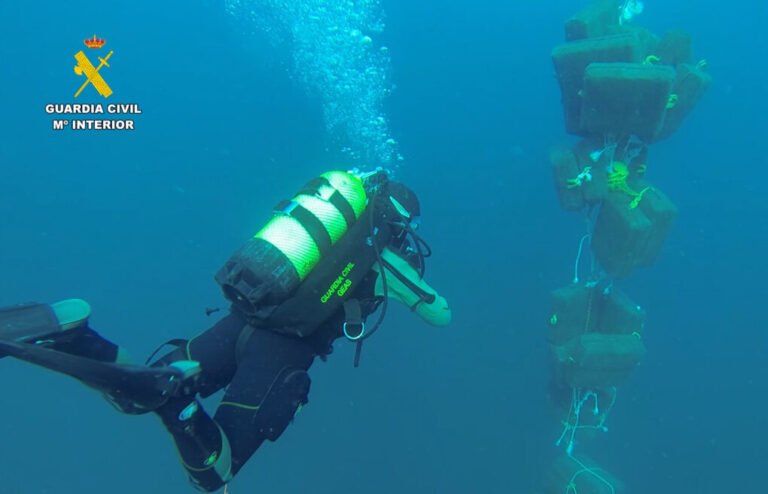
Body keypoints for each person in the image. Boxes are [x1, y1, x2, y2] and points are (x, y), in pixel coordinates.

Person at [0, 169, 451, 491]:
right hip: (282, 353)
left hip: (236, 322)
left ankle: (77, 335)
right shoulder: (382, 256)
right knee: (215, 474)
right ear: (399, 225)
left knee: (136, 393)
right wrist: (405, 266)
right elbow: (440, 315)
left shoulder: (327, 224)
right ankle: (181, 408)